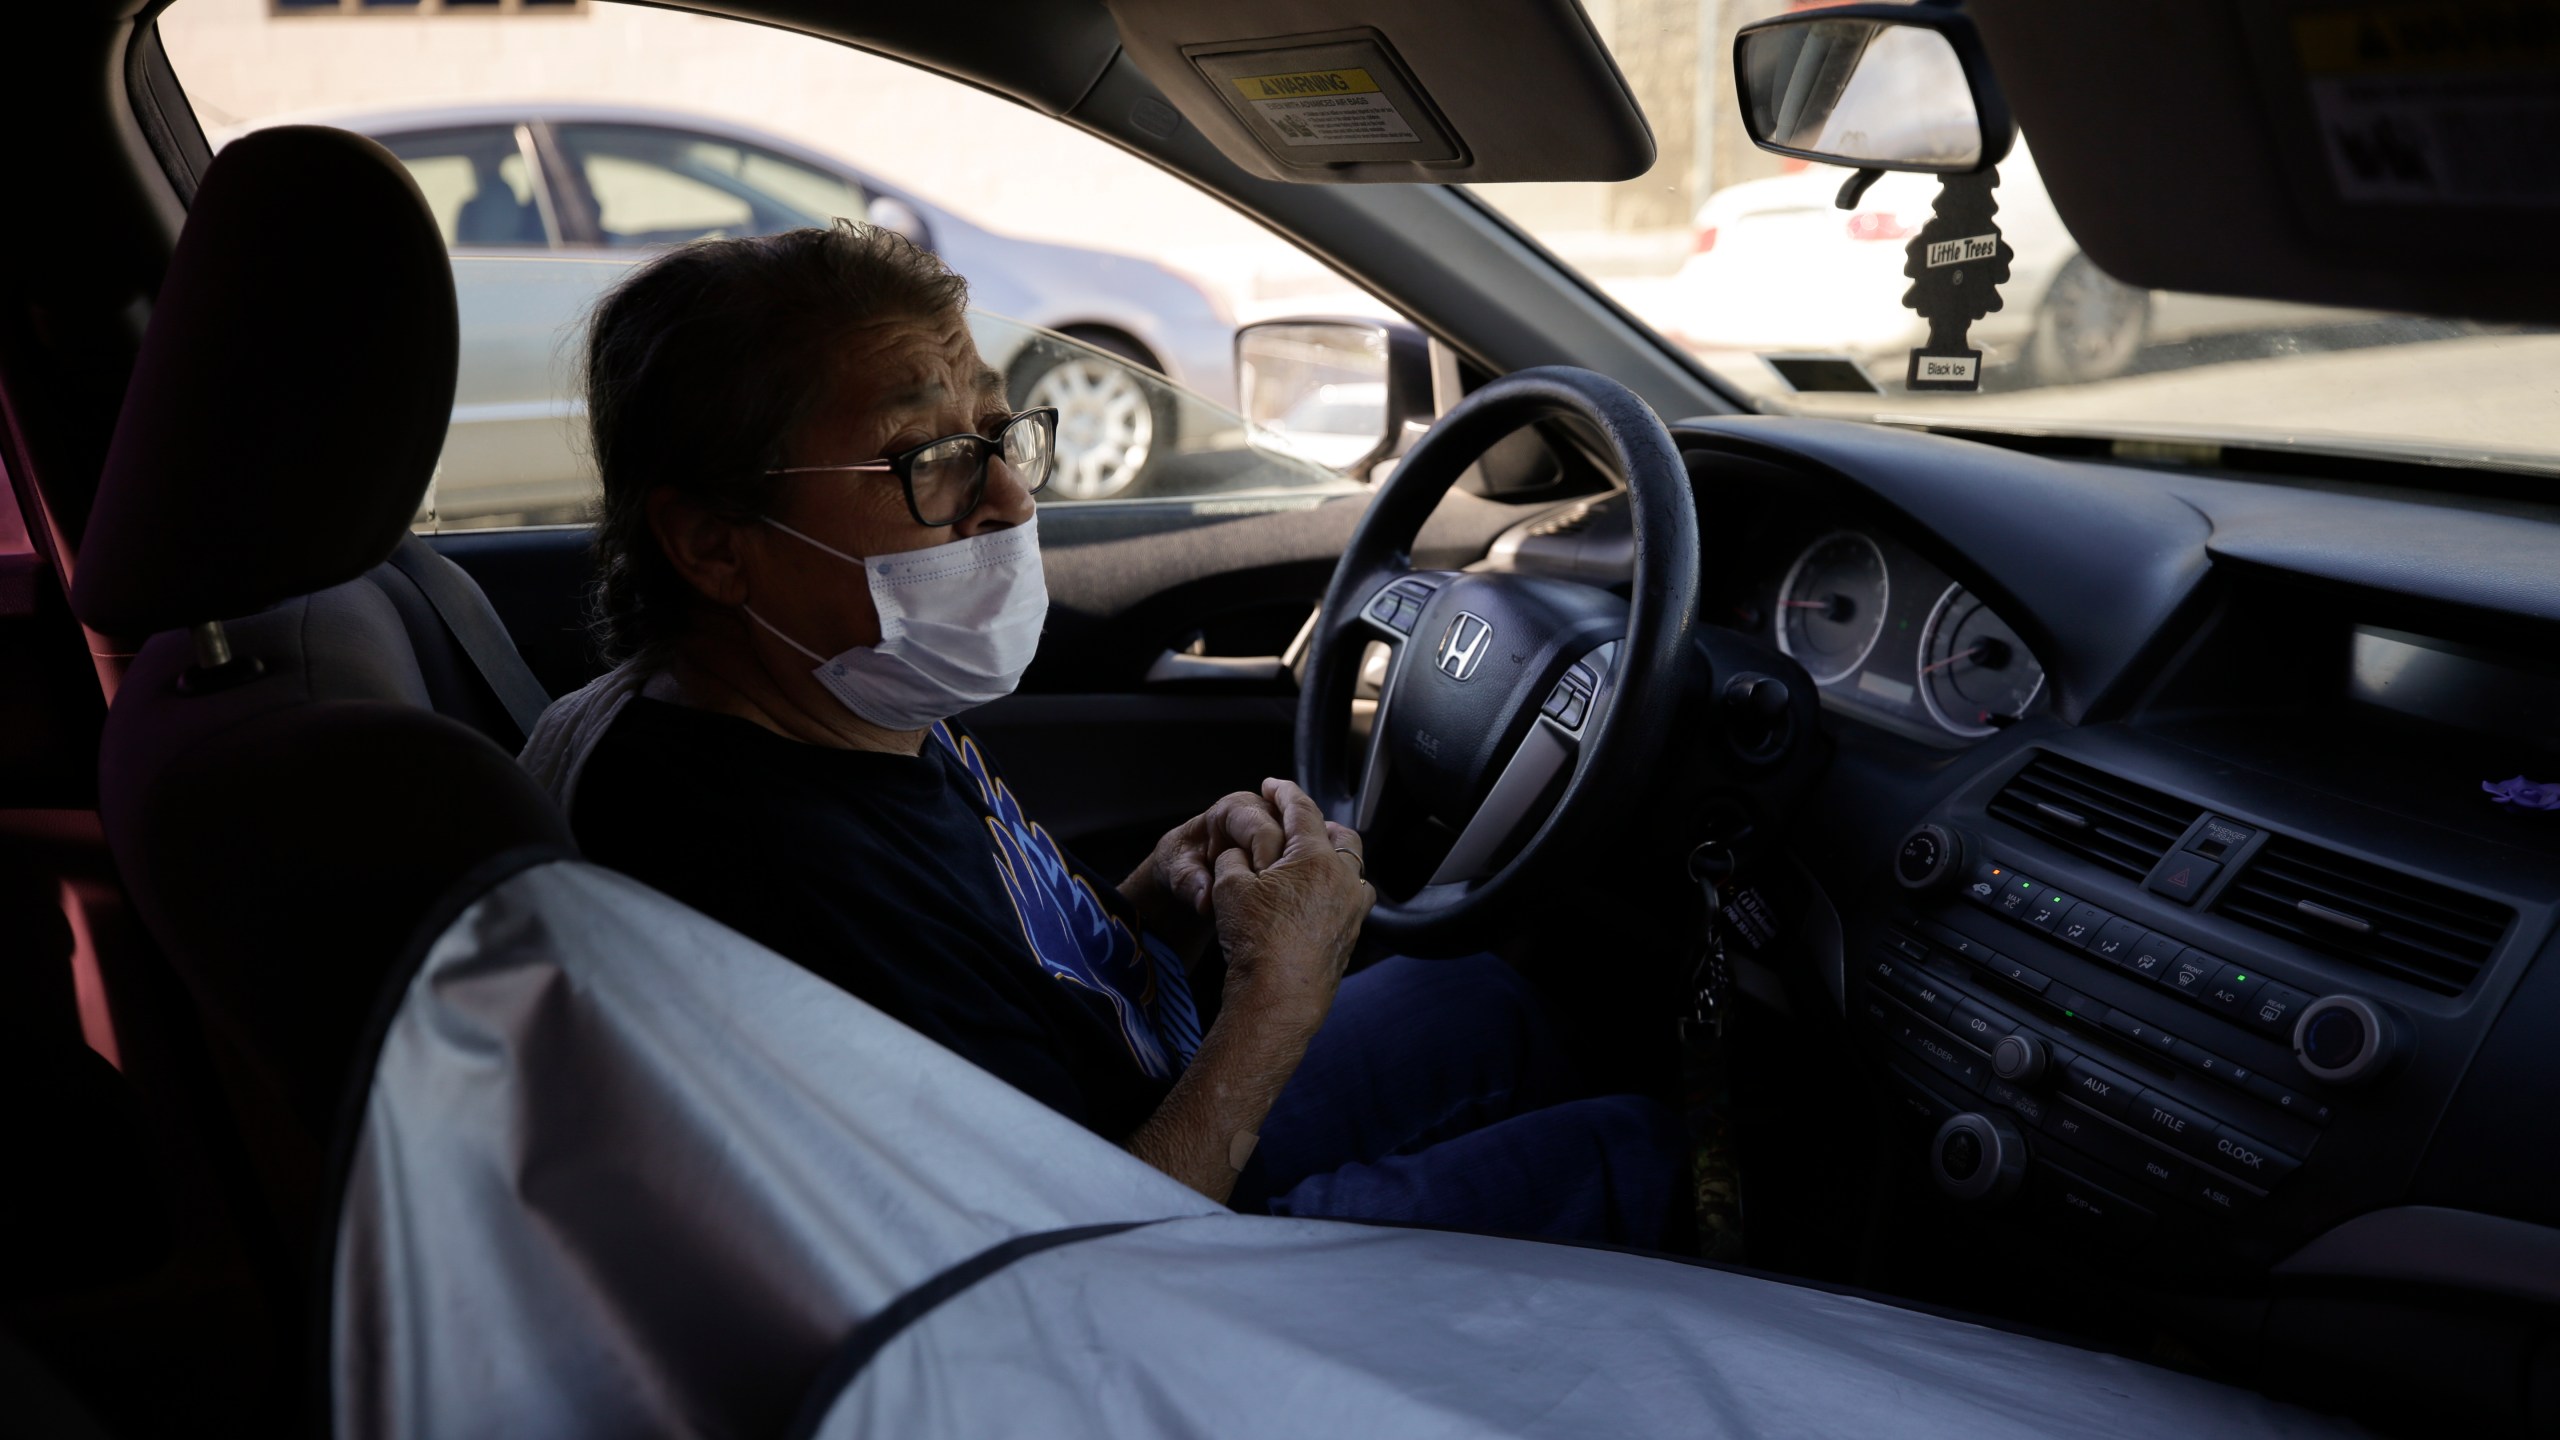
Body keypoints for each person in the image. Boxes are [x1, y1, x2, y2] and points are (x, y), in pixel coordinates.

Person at [519, 220, 1683, 1243]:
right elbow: (1077, 1257)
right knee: (1633, 1158)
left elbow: (997, 989)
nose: (1011, 500)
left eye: (997, 432)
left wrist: (1155, 905)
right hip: (1133, 1257)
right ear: (716, 544)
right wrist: (1276, 991)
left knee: (1483, 1000)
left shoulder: (839, 700)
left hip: (1117, 1126)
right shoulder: (764, 874)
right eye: (929, 458)